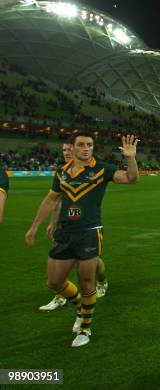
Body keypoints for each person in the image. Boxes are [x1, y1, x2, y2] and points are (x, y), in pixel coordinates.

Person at [25, 132, 140, 347]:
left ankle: (85, 328)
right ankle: (80, 306)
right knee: (54, 282)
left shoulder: (102, 169)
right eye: (81, 145)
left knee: (87, 281)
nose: (86, 148)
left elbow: (132, 179)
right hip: (65, 232)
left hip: (89, 231)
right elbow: (51, 199)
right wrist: (34, 226)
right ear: (73, 148)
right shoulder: (62, 173)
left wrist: (130, 158)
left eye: (90, 144)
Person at [39, 143, 110, 312]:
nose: (66, 153)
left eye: (69, 149)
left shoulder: (87, 170)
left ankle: (101, 281)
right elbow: (58, 201)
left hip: (85, 225)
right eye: (63, 150)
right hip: (65, 226)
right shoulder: (63, 171)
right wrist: (52, 223)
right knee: (61, 258)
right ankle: (61, 295)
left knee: (91, 261)